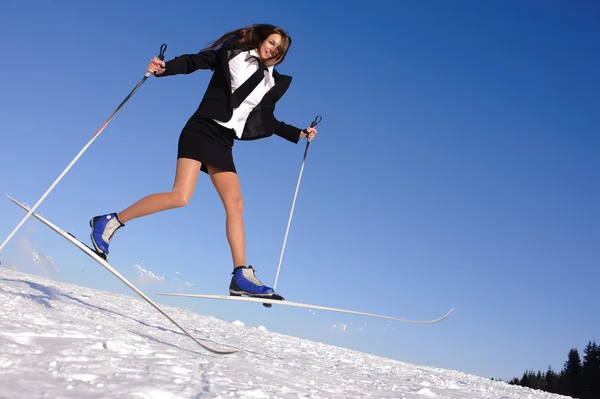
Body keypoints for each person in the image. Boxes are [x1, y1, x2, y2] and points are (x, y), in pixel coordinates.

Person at [88, 24, 317, 298]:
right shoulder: (233, 54)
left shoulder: (272, 82)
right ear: (260, 39)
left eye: (279, 48)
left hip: (224, 140)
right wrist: (164, 68)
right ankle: (109, 222)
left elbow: (268, 121)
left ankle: (240, 275)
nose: (273, 49)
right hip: (202, 128)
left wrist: (299, 133)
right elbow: (195, 61)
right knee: (180, 196)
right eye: (271, 42)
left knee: (236, 204)